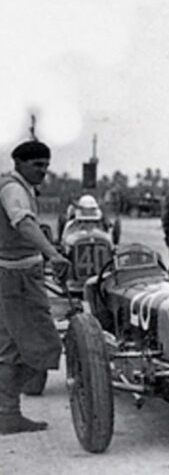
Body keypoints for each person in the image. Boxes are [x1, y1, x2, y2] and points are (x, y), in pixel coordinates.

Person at [0, 140, 71, 434]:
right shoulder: (14, 188)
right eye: (37, 165)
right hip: (17, 277)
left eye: (46, 165)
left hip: (13, 273)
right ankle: (6, 409)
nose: (43, 171)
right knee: (45, 346)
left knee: (9, 348)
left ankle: (7, 413)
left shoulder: (16, 185)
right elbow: (24, 223)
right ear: (18, 163)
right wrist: (52, 254)